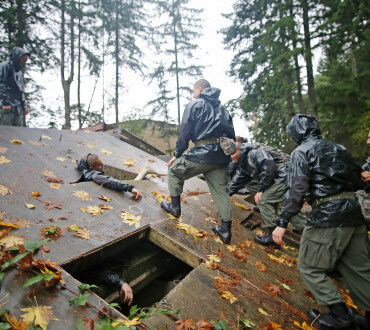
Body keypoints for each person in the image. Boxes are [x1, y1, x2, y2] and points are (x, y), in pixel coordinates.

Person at [272, 114, 370, 329]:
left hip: (327, 216)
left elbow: (296, 190)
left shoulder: (301, 152)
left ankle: (340, 316)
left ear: (296, 133)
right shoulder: (340, 149)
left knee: (310, 267)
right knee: (360, 268)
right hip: (355, 214)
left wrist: (282, 222)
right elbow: (358, 180)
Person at [160, 79, 235, 244]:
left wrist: (178, 154)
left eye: (194, 91)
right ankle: (225, 231)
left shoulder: (195, 104)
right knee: (221, 191)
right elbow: (232, 134)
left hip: (203, 153)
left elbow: (185, 131)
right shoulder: (223, 109)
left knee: (173, 170)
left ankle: (174, 208)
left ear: (199, 89)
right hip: (221, 156)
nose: (193, 94)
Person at [229, 142, 307, 246]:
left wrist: (261, 190)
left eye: (233, 153)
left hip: (286, 178)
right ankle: (306, 228)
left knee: (263, 200)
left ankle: (273, 235)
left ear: (239, 149)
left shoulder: (253, 153)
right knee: (288, 205)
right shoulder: (242, 160)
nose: (231, 156)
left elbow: (270, 167)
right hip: (281, 178)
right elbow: (240, 178)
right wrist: (225, 195)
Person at [77, 154, 142, 200]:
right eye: (100, 165)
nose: (103, 165)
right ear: (91, 168)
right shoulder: (95, 176)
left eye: (102, 163)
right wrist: (130, 189)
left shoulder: (84, 166)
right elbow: (109, 181)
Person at [0, 47, 30, 126]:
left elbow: (21, 90)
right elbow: (1, 85)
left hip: (17, 107)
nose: (24, 63)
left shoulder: (19, 73)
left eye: (25, 61)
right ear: (17, 58)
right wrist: (4, 103)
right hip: (6, 107)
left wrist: (24, 106)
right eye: (23, 60)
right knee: (6, 133)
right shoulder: (4, 67)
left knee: (18, 133)